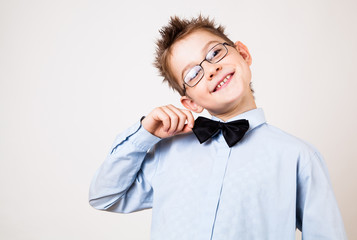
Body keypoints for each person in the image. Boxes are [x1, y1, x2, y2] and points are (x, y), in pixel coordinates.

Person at [89, 15, 347, 239]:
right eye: (193, 74)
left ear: (243, 54)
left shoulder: (298, 157)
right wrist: (144, 134)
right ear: (190, 102)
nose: (211, 69)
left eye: (214, 53)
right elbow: (104, 196)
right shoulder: (167, 155)